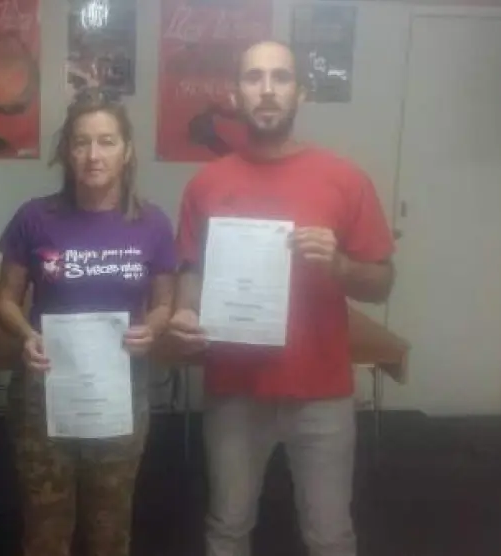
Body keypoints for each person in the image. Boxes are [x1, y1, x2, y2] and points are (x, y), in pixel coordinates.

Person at [168, 41, 396, 556]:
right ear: (235, 94)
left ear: (301, 92)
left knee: (330, 534)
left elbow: (382, 284)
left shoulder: (345, 179)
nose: (267, 90)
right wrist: (184, 310)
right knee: (227, 526)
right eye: (253, 77)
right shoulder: (206, 184)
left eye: (281, 77)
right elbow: (192, 269)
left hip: (321, 393)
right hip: (234, 390)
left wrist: (340, 266)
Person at [0, 89, 177, 556]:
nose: (94, 155)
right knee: (45, 529)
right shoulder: (34, 218)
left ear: (127, 151)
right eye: (81, 142)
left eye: (107, 141)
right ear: (66, 151)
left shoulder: (152, 223)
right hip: (44, 393)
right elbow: (5, 300)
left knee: (110, 529)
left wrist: (154, 328)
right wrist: (26, 334)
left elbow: (164, 302)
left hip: (118, 395)